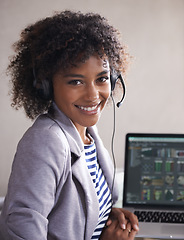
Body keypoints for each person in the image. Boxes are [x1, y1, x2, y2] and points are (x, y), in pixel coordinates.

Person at [0, 10, 139, 240]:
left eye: (102, 79)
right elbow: (22, 231)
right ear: (45, 86)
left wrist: (102, 216)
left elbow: (71, 208)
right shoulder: (46, 141)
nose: (93, 95)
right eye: (76, 81)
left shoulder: (86, 134)